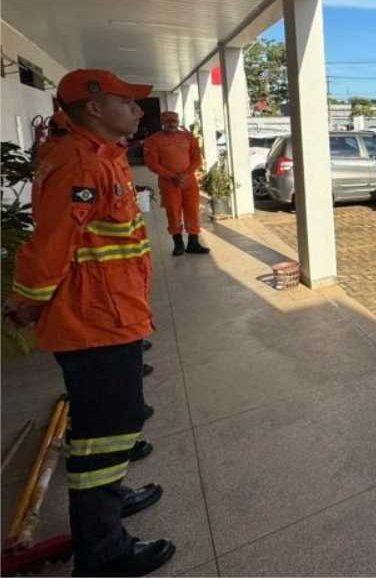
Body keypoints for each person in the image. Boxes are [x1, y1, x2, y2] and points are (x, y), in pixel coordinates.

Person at [6, 70, 174, 576]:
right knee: (110, 428)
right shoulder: (80, 163)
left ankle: (109, 499)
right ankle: (104, 551)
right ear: (95, 106)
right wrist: (27, 303)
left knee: (104, 423)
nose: (138, 112)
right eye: (128, 102)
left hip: (110, 312)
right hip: (95, 320)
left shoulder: (98, 153)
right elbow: (50, 248)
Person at [142, 111, 208, 257]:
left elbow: (197, 158)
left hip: (189, 181)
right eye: (168, 121)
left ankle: (193, 243)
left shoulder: (188, 137)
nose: (171, 123)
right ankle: (178, 244)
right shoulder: (153, 140)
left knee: (192, 211)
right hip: (168, 183)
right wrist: (172, 176)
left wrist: (186, 174)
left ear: (178, 121)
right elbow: (152, 163)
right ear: (162, 122)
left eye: (174, 120)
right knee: (173, 211)